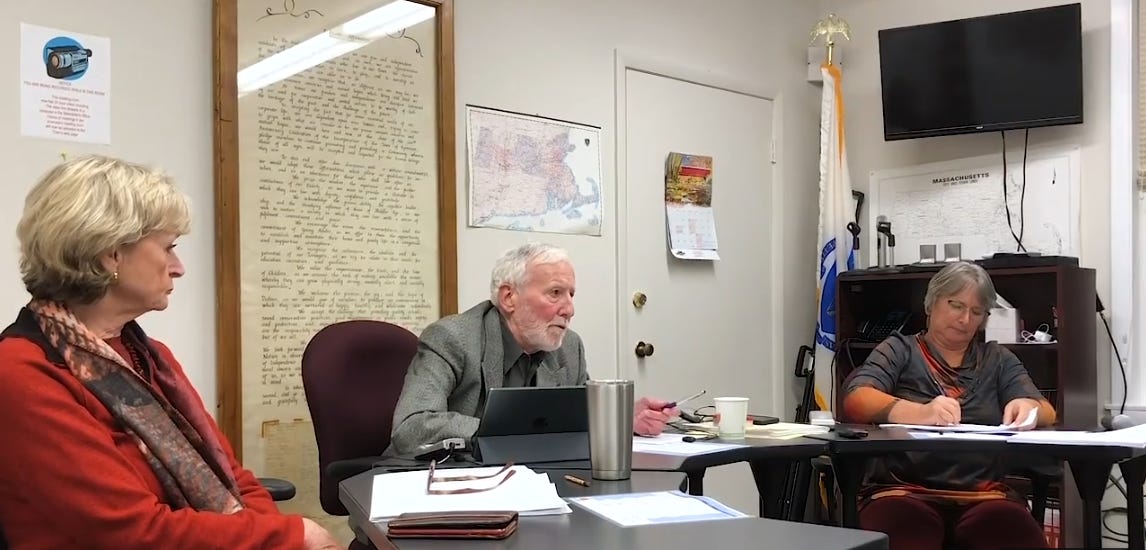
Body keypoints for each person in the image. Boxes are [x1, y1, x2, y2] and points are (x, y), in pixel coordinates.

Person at [0, 156, 339, 549]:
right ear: (110, 254)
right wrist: (295, 536)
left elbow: (232, 476)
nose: (178, 268)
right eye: (168, 248)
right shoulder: (22, 374)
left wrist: (279, 537)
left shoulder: (149, 356)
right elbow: (133, 532)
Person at [841, 261, 1055, 550]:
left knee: (1014, 534)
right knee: (905, 534)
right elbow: (856, 398)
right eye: (956, 305)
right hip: (902, 491)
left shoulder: (998, 359)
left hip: (983, 495)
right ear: (931, 303)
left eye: (976, 312)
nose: (965, 319)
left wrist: (1026, 406)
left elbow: (1046, 410)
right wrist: (921, 412)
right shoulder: (899, 349)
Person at [388, 243, 677, 456]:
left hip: (530, 485)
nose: (569, 309)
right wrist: (511, 431)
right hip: (445, 484)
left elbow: (580, 419)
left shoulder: (569, 347)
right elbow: (412, 427)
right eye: (555, 293)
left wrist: (624, 417)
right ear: (509, 297)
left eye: (571, 295)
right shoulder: (452, 338)